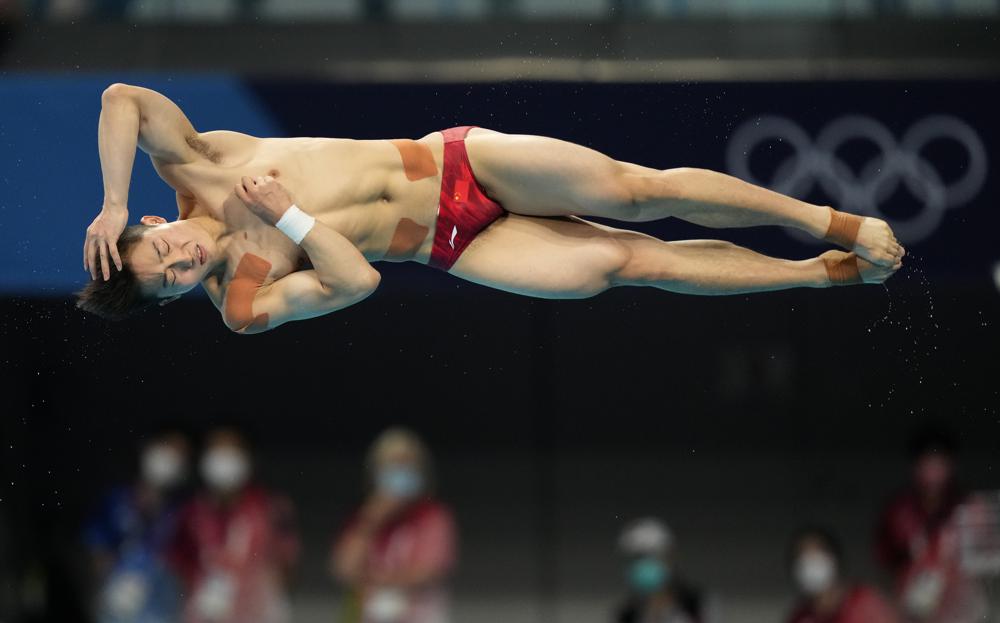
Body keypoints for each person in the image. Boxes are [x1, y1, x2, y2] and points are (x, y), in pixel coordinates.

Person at [76, 83, 905, 332]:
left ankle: (829, 222)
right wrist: (291, 217)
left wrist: (110, 202)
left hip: (460, 161)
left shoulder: (201, 166)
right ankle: (824, 274)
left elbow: (122, 99)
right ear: (180, 295)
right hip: (448, 245)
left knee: (637, 192)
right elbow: (357, 281)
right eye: (174, 281)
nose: (184, 261)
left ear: (155, 224)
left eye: (165, 251)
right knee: (621, 266)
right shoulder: (244, 301)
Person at [167, 426, 299, 623]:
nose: (224, 459)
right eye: (217, 451)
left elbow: (287, 564)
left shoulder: (270, 507)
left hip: (256, 614)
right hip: (205, 614)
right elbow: (177, 564)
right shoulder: (189, 512)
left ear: (247, 458)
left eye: (232, 451)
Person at [331, 427, 456, 623]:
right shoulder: (365, 515)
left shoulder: (432, 516)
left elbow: (429, 570)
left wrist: (376, 580)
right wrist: (371, 521)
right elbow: (343, 568)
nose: (399, 473)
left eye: (406, 465)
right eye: (392, 466)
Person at [875, 428, 989, 623]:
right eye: (927, 460)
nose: (933, 468)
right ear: (915, 465)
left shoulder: (971, 508)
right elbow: (887, 560)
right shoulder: (898, 510)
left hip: (963, 613)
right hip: (915, 611)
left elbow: (986, 563)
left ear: (952, 464)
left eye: (939, 461)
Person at [83, 428, 191, 623]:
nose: (170, 458)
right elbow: (95, 548)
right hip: (114, 608)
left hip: (161, 613)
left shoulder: (181, 513)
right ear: (148, 449)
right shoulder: (115, 500)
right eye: (166, 447)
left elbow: (185, 567)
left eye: (179, 455)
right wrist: (109, 582)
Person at [785, 526, 900, 623]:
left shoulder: (865, 605)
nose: (809, 563)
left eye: (815, 555)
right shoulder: (801, 618)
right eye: (802, 557)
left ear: (833, 559)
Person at [615, 517, 706, 623]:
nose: (643, 565)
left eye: (650, 556)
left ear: (669, 557)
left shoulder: (696, 606)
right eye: (637, 558)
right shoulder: (627, 615)